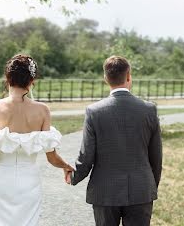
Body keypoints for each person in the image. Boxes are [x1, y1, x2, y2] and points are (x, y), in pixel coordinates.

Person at [0, 54, 73, 226]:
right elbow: (51, 157)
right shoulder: (43, 111)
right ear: (32, 80)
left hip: (1, 178)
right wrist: (66, 166)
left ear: (7, 77)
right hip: (29, 180)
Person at [66, 55, 162, 226]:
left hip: (105, 192)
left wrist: (74, 176)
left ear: (105, 79)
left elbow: (87, 155)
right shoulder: (149, 110)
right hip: (141, 189)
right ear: (129, 76)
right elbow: (156, 157)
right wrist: (150, 186)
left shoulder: (94, 111)